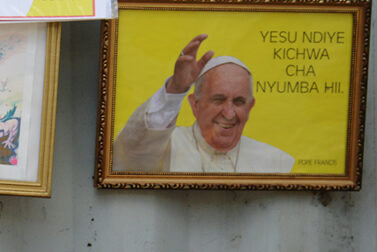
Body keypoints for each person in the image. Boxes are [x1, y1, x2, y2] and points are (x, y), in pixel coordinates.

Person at [112, 34, 296, 173]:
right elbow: (129, 156)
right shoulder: (165, 146)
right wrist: (176, 89)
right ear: (195, 104)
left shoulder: (277, 162)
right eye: (219, 99)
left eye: (239, 102)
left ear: (250, 106)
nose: (229, 113)